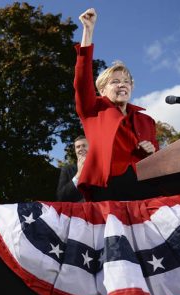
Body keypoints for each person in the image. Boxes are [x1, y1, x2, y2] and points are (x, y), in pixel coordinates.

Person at [74, 8, 160, 202]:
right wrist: (88, 32)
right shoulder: (93, 109)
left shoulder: (146, 121)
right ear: (102, 90)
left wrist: (151, 151)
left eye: (127, 81)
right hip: (106, 187)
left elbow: (157, 156)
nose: (122, 84)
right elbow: (82, 80)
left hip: (144, 186)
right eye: (115, 81)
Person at [56, 135, 88, 202]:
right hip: (77, 211)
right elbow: (61, 197)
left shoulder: (101, 169)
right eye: (78, 147)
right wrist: (78, 175)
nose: (81, 148)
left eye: (84, 145)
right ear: (75, 150)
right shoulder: (67, 170)